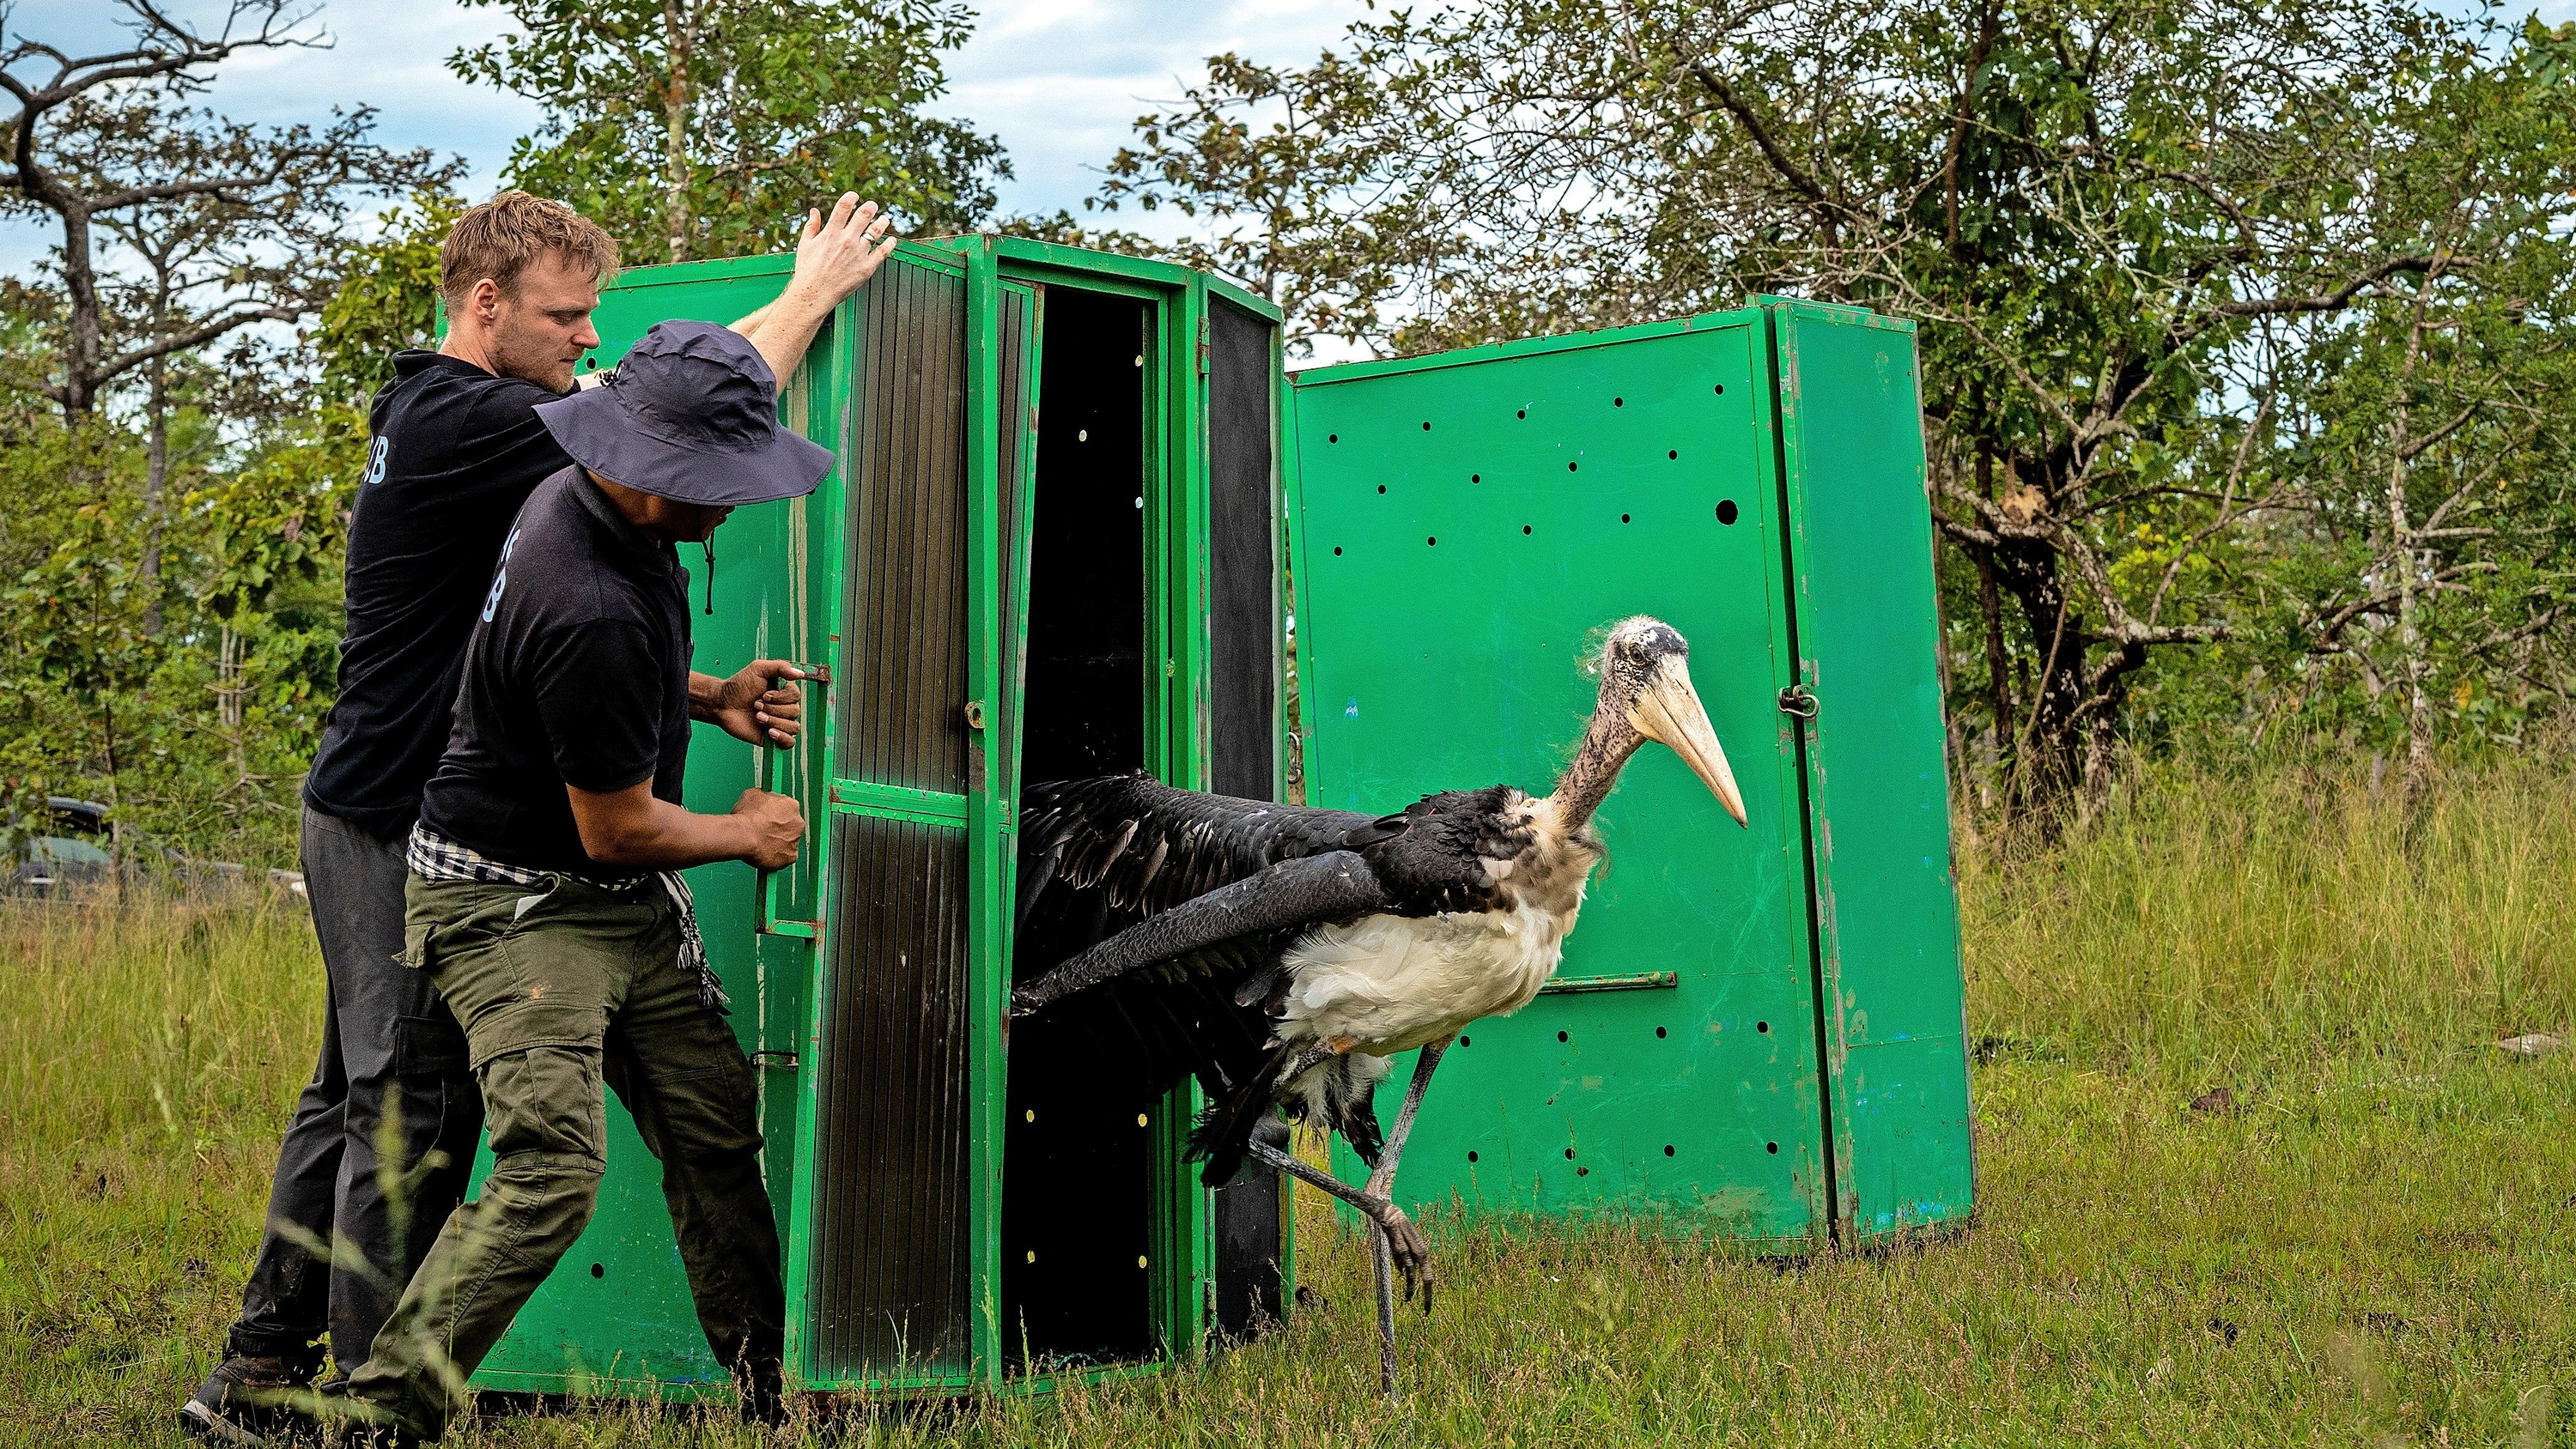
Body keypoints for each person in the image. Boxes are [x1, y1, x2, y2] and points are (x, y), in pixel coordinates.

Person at [182, 191, 896, 1445]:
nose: (584, 344)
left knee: (353, 1092)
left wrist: (705, 695)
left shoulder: (457, 419)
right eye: (567, 319)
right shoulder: (482, 423)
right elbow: (682, 424)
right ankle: (350, 1402)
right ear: (485, 305)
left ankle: (255, 1372)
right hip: (398, 815)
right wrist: (810, 294)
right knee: (402, 1108)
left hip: (402, 794)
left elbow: (602, 542)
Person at [323, 319, 827, 1444]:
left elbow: (606, 690)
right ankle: (376, 1416)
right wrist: (743, 832)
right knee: (552, 1169)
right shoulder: (583, 592)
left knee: (713, 1131)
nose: (734, 502)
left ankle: (768, 1400)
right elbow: (617, 831)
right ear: (649, 468)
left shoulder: (591, 496)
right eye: (718, 481)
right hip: (507, 901)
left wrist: (709, 695)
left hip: (604, 893)